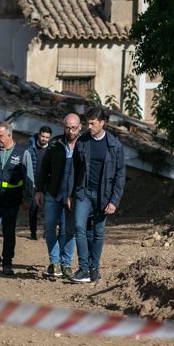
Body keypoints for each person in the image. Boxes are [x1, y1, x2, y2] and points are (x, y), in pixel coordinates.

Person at [70, 107, 125, 284]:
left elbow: (120, 175)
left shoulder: (114, 145)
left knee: (98, 232)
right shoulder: (82, 141)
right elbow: (74, 169)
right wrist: (70, 194)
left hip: (104, 195)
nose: (89, 126)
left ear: (103, 123)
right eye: (88, 123)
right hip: (83, 192)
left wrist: (114, 201)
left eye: (93, 123)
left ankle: (94, 269)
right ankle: (83, 268)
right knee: (79, 226)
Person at [0, 121, 34, 276]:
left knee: (8, 232)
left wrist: (28, 199)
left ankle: (7, 262)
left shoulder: (23, 153)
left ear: (9, 135)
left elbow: (29, 178)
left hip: (11, 201)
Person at [34, 114, 80, 278]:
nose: (70, 131)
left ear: (80, 127)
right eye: (67, 127)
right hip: (53, 194)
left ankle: (66, 264)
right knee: (49, 227)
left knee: (68, 231)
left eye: (73, 127)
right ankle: (55, 263)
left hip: (73, 197)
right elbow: (44, 168)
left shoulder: (83, 145)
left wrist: (75, 194)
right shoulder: (55, 143)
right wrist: (39, 190)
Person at [27, 126, 52, 240]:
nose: (44, 139)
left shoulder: (52, 149)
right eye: (43, 136)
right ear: (39, 134)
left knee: (48, 209)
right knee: (33, 209)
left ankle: (47, 232)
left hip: (48, 183)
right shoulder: (31, 148)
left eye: (47, 137)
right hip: (34, 183)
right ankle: (33, 233)